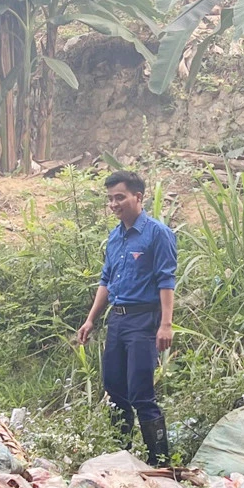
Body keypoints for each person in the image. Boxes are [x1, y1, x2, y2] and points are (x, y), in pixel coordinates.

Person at [75, 171, 176, 466]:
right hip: (116, 322)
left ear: (138, 197)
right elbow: (106, 280)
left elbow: (166, 280)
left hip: (144, 322)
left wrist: (165, 324)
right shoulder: (115, 236)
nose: (114, 204)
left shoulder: (157, 234)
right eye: (110, 199)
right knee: (115, 389)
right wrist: (91, 319)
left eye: (119, 197)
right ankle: (123, 457)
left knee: (140, 392)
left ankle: (161, 463)